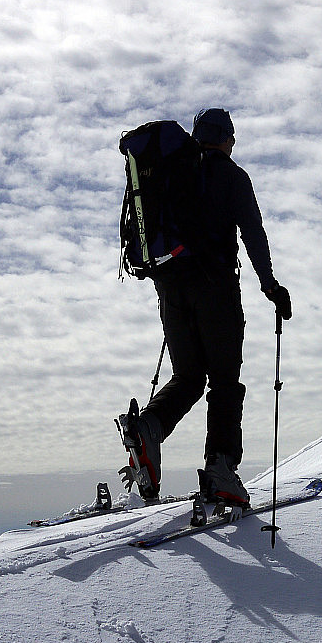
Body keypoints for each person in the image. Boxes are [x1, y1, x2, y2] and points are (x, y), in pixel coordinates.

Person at [125, 108, 292, 507]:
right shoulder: (232, 176)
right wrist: (270, 286)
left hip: (170, 289)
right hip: (215, 289)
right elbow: (253, 233)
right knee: (223, 381)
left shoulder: (170, 174)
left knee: (187, 377)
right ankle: (220, 470)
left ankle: (148, 427)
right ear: (228, 140)